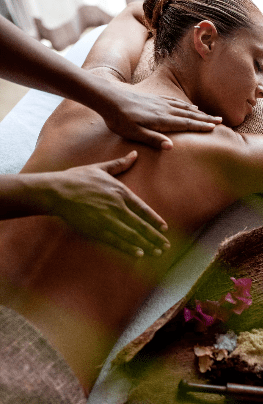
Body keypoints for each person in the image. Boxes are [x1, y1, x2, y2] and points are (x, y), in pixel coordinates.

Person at [0, 0, 263, 403]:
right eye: (259, 62)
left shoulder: (87, 92)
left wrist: (168, 17)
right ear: (206, 39)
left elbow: (133, 15)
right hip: (33, 379)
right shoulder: (225, 154)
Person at [0, 13, 223, 256]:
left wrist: (106, 93)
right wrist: (49, 191)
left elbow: (139, 13)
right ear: (205, 39)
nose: (262, 85)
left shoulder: (100, 78)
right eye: (257, 63)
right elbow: (142, 13)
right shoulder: (220, 146)